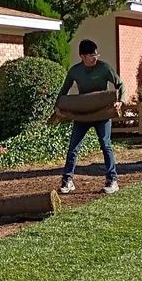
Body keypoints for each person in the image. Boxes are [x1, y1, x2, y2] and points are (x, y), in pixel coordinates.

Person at [55, 39, 124, 195]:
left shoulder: (105, 68)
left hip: (101, 113)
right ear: (82, 56)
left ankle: (112, 180)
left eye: (96, 54)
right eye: (91, 55)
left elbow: (120, 85)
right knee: (73, 146)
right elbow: (63, 92)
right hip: (83, 114)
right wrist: (58, 108)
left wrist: (120, 101)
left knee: (106, 145)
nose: (95, 58)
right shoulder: (75, 71)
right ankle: (67, 180)